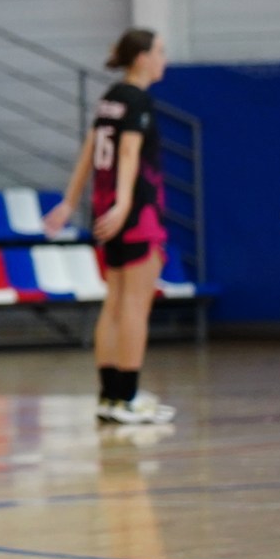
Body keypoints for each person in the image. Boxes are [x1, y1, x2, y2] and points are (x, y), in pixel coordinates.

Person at [46, 30, 176, 425]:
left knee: (115, 301)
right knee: (135, 303)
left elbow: (89, 152)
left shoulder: (110, 98)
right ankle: (128, 397)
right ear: (141, 58)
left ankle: (110, 395)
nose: (163, 59)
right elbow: (129, 152)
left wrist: (70, 201)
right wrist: (124, 203)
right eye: (159, 52)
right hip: (134, 212)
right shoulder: (137, 99)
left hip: (105, 209)